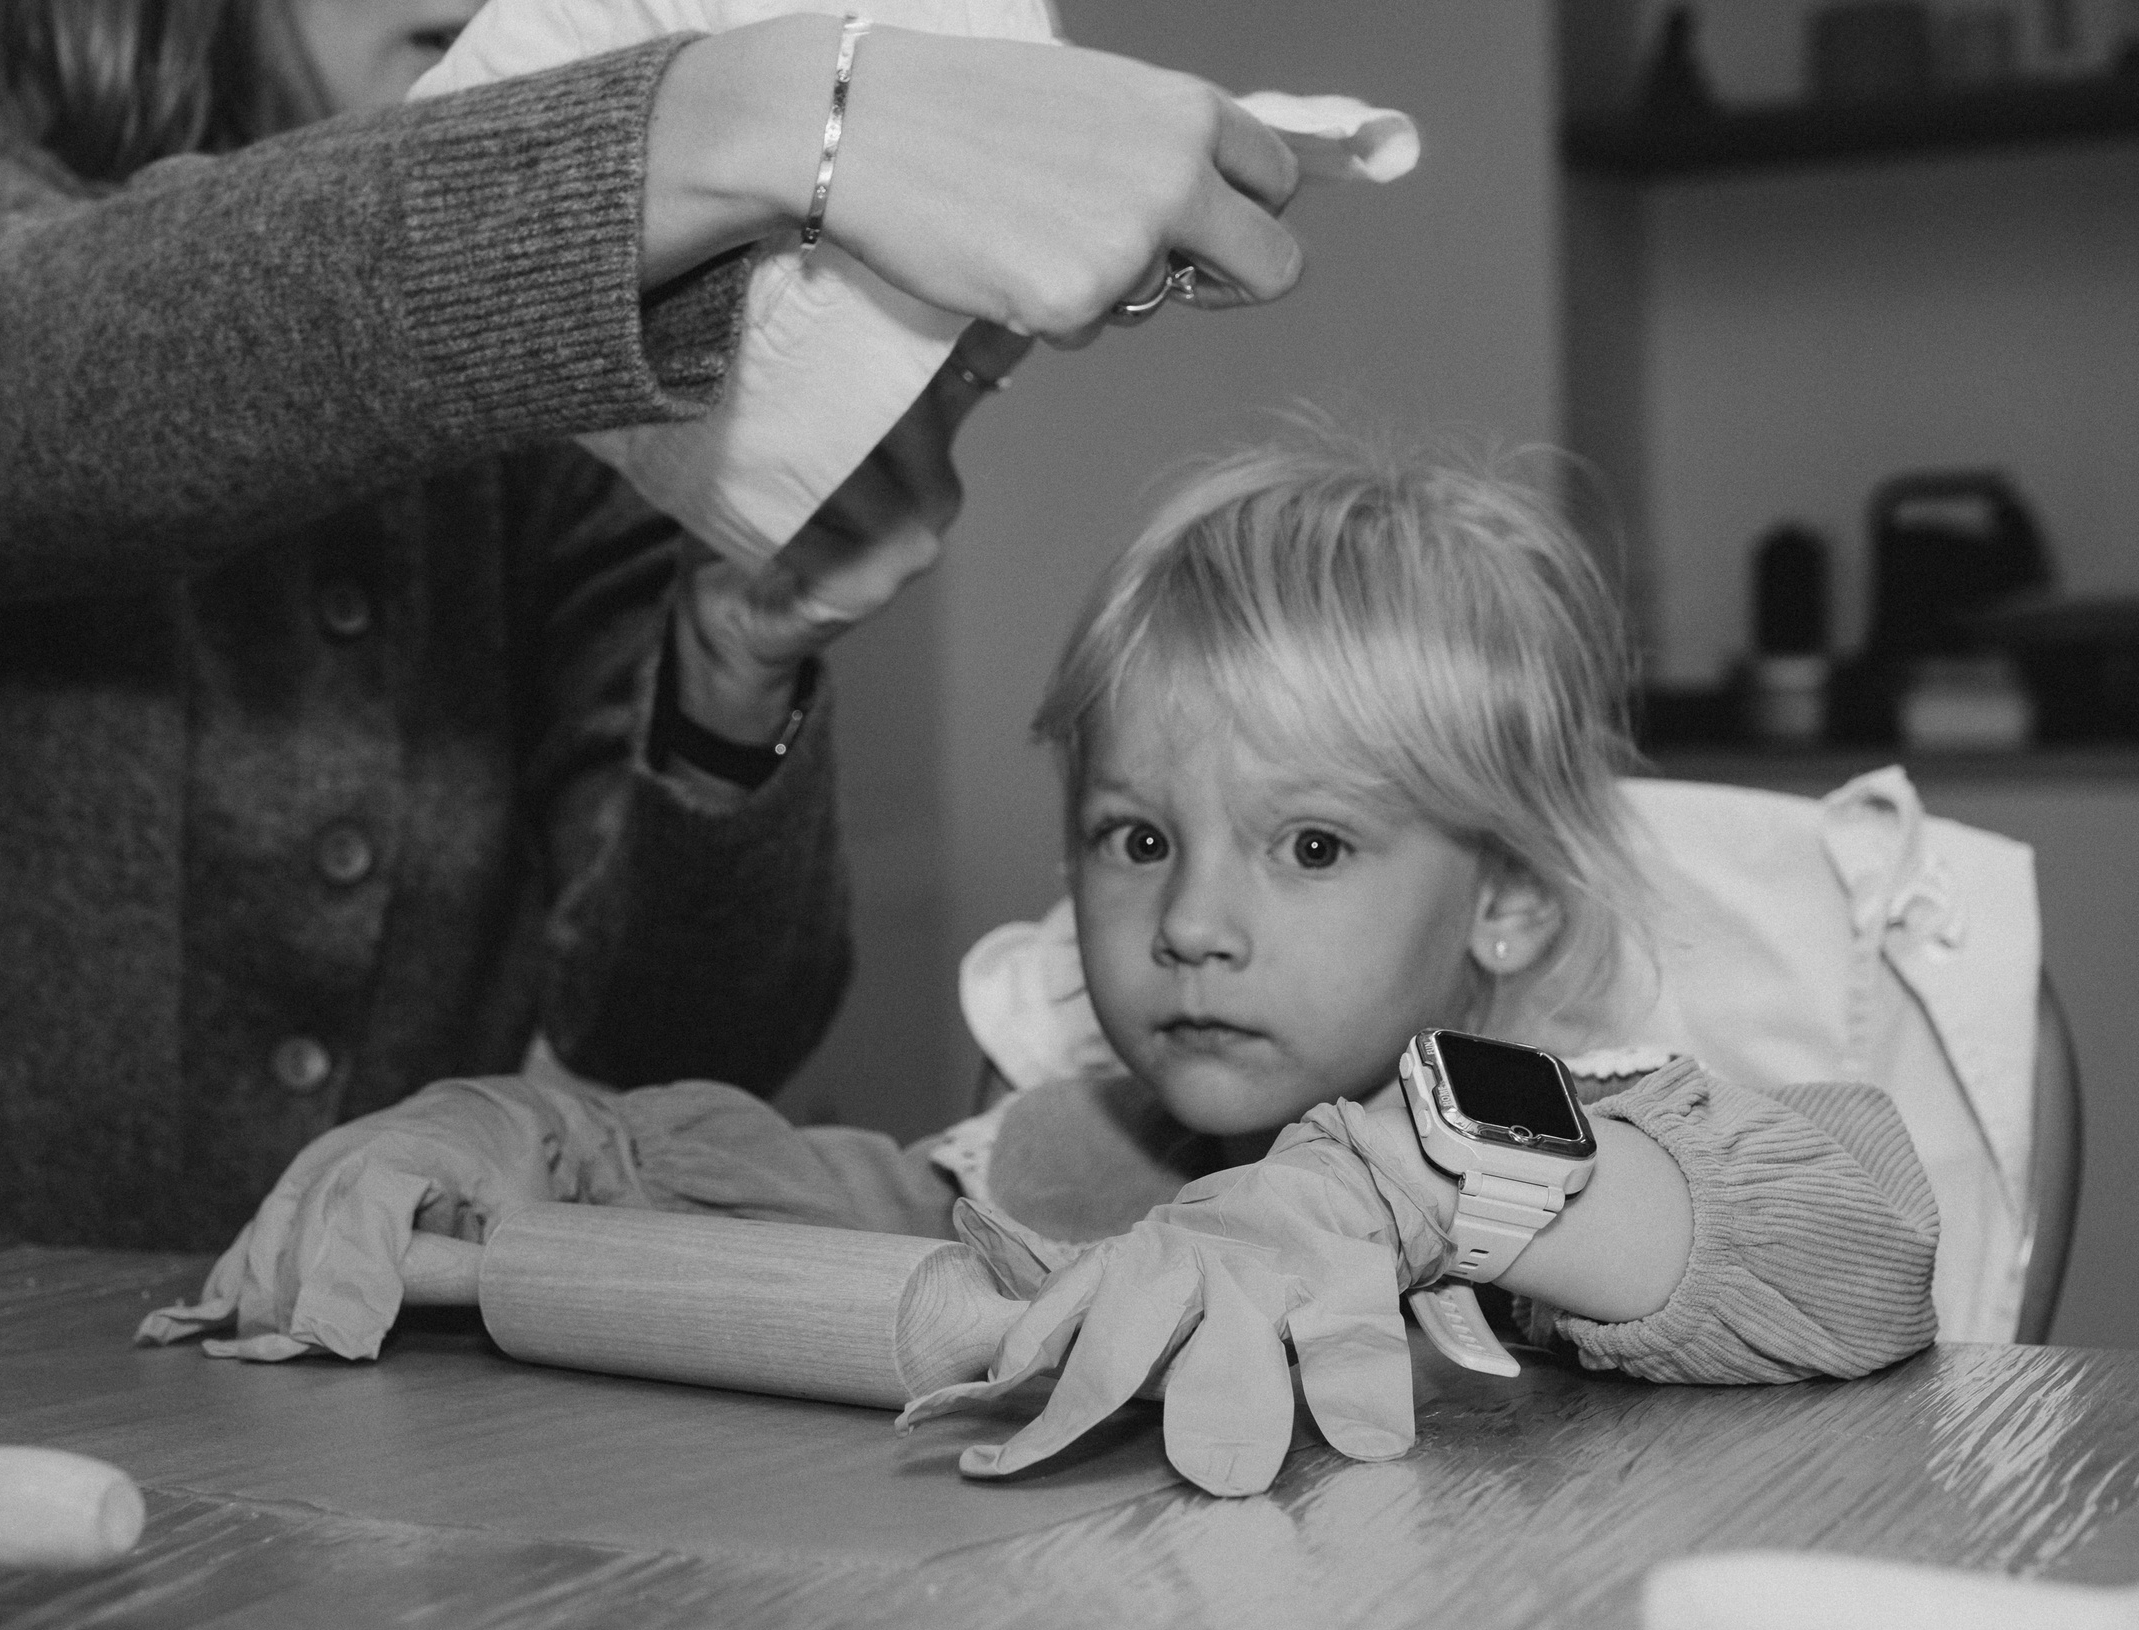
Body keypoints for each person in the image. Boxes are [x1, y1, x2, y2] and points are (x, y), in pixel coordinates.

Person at [0, 0, 1311, 1250]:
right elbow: (78, 377)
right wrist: (740, 119)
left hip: (352, 1432)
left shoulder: (576, 416)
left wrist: (740, 655)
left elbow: (682, 1044)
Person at [141, 426, 1941, 1393]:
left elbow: (1865, 1253)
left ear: (1514, 910)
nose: (1193, 927)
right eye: (1137, 840)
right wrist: (531, 1142)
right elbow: (816, 1195)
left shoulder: (1582, 1121)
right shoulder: (1069, 1152)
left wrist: (1435, 1178)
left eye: (1310, 849)